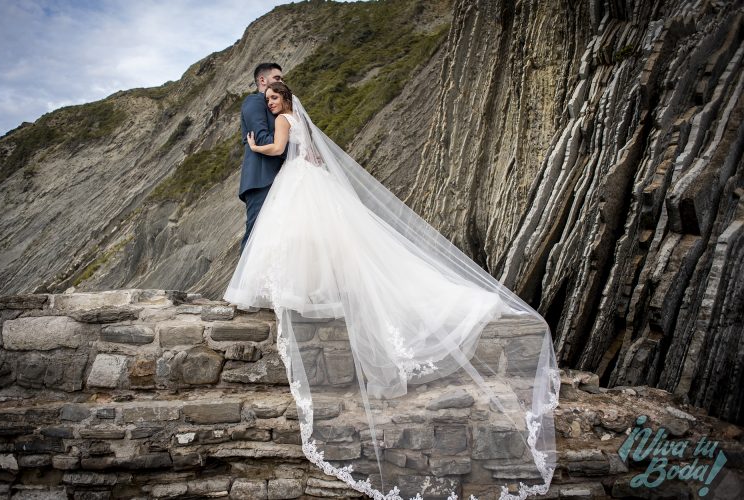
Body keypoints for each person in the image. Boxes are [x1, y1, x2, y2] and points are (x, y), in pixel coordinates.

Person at [224, 82, 560, 500]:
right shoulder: (302, 121)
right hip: (311, 178)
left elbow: (277, 151)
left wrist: (256, 148)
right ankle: (317, 292)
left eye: (274, 98)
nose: (269, 103)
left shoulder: (282, 121)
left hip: (297, 182)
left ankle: (309, 294)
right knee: (321, 240)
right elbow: (307, 153)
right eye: (268, 99)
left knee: (299, 239)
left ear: (285, 100)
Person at [237, 62, 285, 255]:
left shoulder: (277, 110)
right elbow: (261, 138)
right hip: (261, 178)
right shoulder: (254, 102)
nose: (282, 82)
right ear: (262, 80)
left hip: (280, 176)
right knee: (256, 233)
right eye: (277, 78)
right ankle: (241, 285)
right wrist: (295, 151)